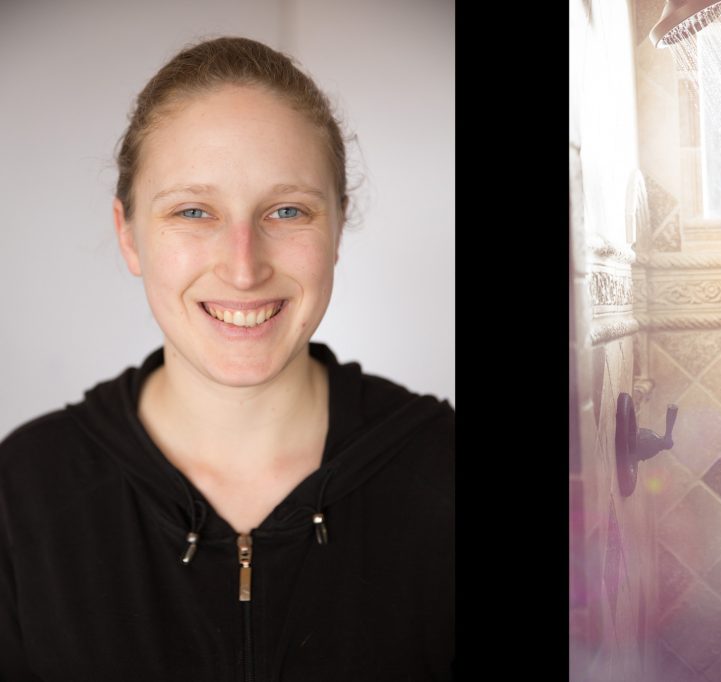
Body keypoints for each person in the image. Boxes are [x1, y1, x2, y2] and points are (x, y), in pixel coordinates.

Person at [0, 36, 454, 680]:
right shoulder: (24, 495)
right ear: (128, 235)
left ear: (337, 229)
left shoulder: (443, 471)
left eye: (288, 210)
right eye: (193, 211)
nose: (244, 268)